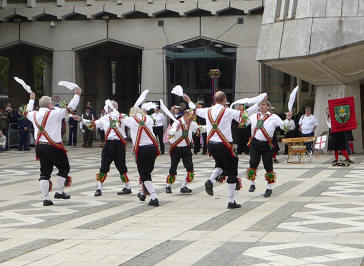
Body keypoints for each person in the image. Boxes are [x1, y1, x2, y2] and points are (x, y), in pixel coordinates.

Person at [184, 91, 243, 209]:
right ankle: (231, 201)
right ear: (224, 100)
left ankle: (210, 180)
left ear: (215, 100)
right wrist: (255, 105)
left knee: (220, 164)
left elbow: (195, 109)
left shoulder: (207, 110)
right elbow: (243, 118)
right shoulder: (228, 111)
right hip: (224, 145)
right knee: (232, 170)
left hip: (211, 145)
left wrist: (189, 100)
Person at [25, 88, 82, 206]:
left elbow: (26, 112)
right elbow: (70, 108)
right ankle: (59, 192)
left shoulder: (34, 114)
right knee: (64, 167)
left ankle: (45, 198)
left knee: (44, 173)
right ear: (49, 104)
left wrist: (31, 100)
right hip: (53, 147)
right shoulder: (54, 113)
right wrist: (76, 95)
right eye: (51, 102)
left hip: (40, 147)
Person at [246, 100, 291, 198]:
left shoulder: (273, 117)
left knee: (268, 165)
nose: (261, 106)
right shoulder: (253, 116)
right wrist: (243, 113)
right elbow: (243, 123)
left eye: (263, 105)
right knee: (253, 162)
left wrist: (287, 120)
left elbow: (284, 127)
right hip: (254, 143)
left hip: (267, 145)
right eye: (260, 105)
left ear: (268, 107)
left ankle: (269, 188)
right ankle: (252, 183)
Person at [90, 100, 131, 197]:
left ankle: (127, 187)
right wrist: (81, 120)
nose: (106, 109)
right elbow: (93, 124)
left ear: (115, 108)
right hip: (108, 144)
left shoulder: (122, 116)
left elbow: (131, 123)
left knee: (121, 166)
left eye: (108, 107)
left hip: (119, 144)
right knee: (104, 165)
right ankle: (99, 188)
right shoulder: (104, 118)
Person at [122, 106, 160, 207]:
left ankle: (154, 197)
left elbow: (120, 117)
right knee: (147, 171)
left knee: (144, 173)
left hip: (142, 149)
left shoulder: (131, 120)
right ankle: (142, 193)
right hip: (153, 148)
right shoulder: (149, 118)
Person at [166, 109, 199, 194]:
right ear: (185, 115)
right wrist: (175, 130)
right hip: (176, 148)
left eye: (192, 117)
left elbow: (199, 129)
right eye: (190, 117)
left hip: (186, 148)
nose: (192, 119)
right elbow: (170, 132)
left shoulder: (192, 124)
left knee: (190, 167)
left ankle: (183, 186)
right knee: (173, 167)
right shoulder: (177, 122)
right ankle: (168, 186)